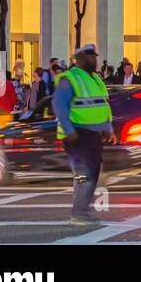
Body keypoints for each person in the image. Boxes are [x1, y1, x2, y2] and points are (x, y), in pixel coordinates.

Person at [53, 44, 116, 227]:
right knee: (85, 174)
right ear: (79, 59)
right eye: (90, 56)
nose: (94, 60)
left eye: (94, 56)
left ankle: (80, 211)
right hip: (78, 135)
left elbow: (102, 105)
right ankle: (79, 213)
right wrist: (69, 130)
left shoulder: (96, 79)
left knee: (91, 173)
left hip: (93, 136)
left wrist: (108, 128)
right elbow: (59, 105)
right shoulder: (70, 78)